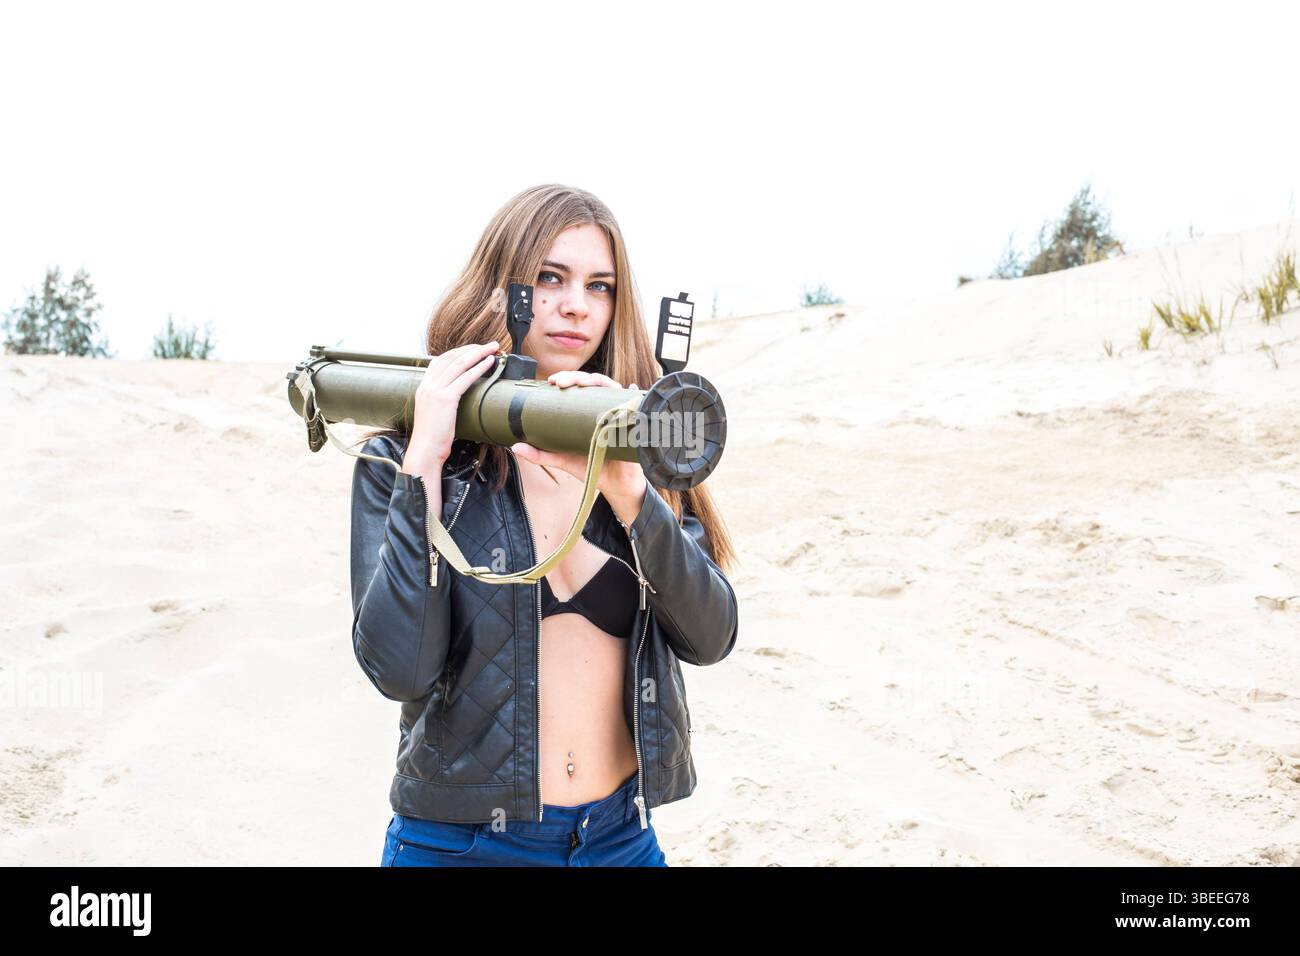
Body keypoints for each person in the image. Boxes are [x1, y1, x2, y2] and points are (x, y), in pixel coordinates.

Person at [349, 183, 738, 867]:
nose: (574, 305)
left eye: (599, 285)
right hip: (460, 845)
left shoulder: (642, 448)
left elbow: (710, 638)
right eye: (549, 278)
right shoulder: (403, 459)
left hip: (620, 840)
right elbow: (399, 670)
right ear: (504, 289)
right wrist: (427, 467)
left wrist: (633, 497)